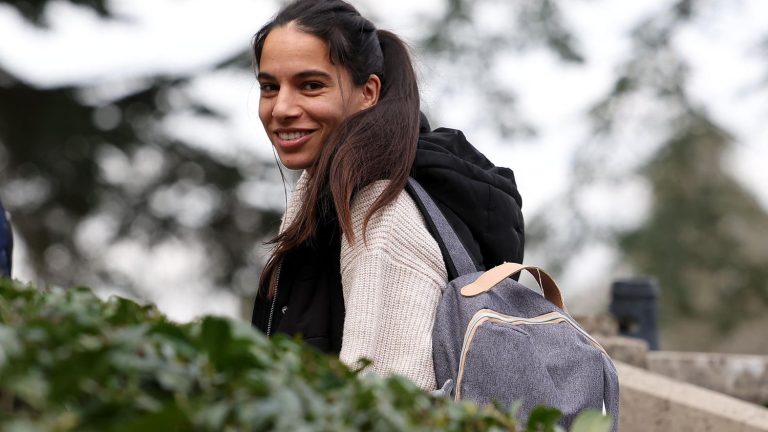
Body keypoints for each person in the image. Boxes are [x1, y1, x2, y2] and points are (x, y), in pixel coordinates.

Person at [250, 0, 524, 391]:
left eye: (311, 85)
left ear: (368, 93)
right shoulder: (323, 196)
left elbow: (389, 400)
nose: (282, 108)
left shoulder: (379, 213)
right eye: (269, 87)